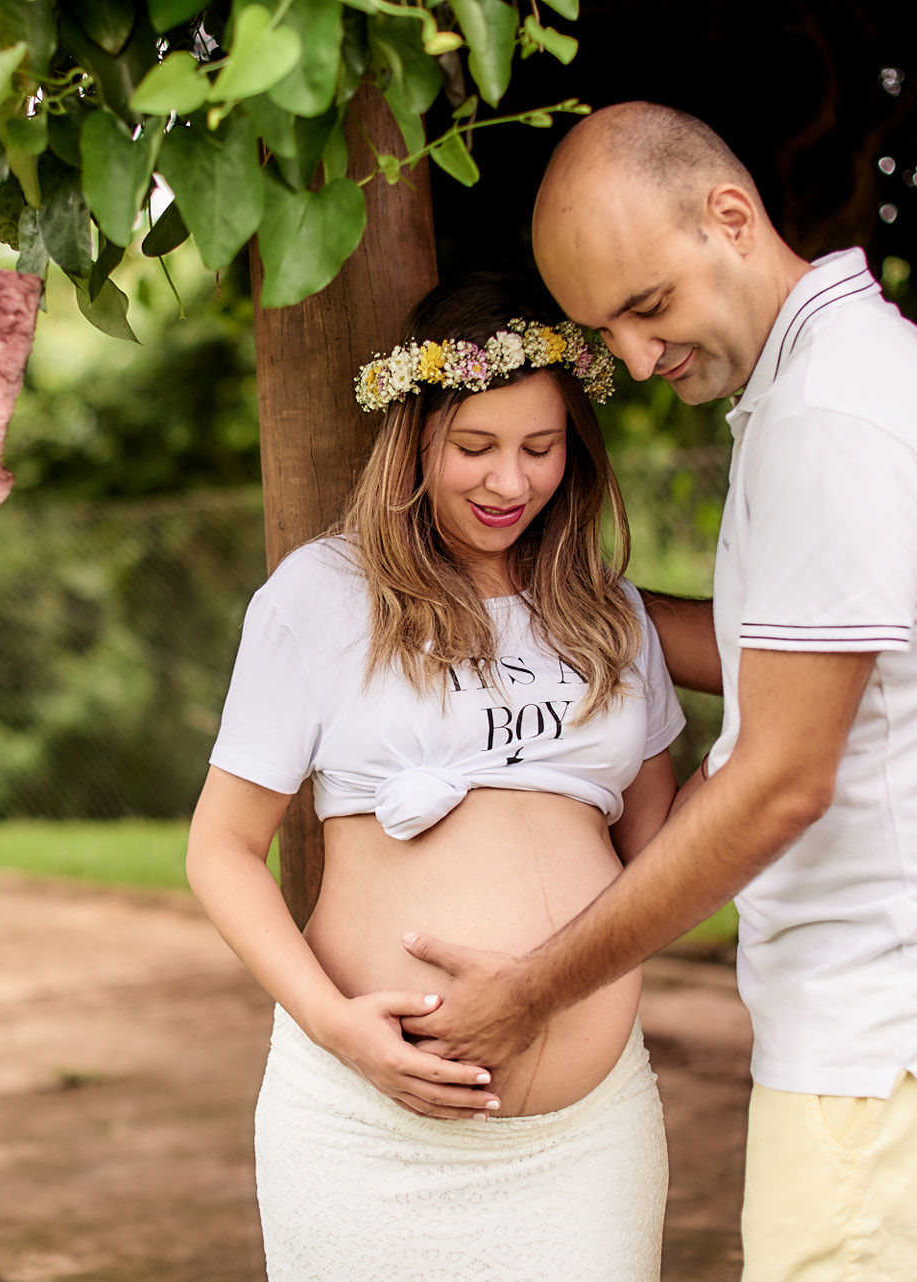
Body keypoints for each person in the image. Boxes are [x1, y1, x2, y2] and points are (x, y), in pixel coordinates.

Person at [397, 104, 917, 1282]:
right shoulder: (826, 377)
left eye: (649, 307)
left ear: (730, 215)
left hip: (895, 1038)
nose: (641, 358)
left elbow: (777, 779)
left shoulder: (833, 417)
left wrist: (531, 990)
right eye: (606, 329)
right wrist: (543, 597)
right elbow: (795, 650)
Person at [186, 272, 687, 1280]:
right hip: (367, 1133)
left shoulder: (607, 615)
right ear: (412, 437)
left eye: (540, 449)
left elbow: (660, 856)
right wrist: (335, 1026)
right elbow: (221, 851)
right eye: (475, 448)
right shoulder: (323, 597)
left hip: (584, 1144)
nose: (510, 481)